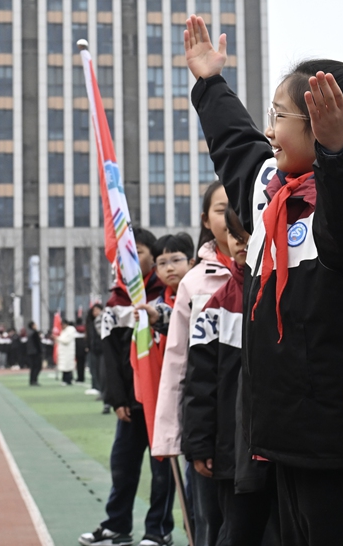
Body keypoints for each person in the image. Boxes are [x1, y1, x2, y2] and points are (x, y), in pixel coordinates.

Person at [186, 14, 343, 546]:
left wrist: (342, 151)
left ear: (321, 122)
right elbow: (238, 149)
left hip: (340, 444)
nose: (269, 129)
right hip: (283, 440)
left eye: (279, 116)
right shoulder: (276, 193)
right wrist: (210, 84)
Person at [182, 207, 278, 546]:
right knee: (235, 532)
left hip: (280, 449)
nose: (240, 242)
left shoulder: (283, 291)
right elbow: (199, 381)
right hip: (230, 453)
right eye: (234, 235)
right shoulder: (216, 305)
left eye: (246, 234)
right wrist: (198, 444)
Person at [80, 227, 176, 546]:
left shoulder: (165, 296)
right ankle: (117, 524)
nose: (128, 262)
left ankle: (158, 530)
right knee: (122, 465)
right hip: (131, 401)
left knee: (161, 470)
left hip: (161, 399)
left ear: (152, 257)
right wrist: (117, 398)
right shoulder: (115, 301)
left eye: (137, 254)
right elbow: (109, 355)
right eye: (122, 256)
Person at [151, 181, 234, 546]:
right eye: (221, 210)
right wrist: (170, 435)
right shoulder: (195, 283)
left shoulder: (267, 267)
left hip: (256, 432)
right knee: (209, 524)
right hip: (210, 433)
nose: (231, 218)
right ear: (205, 220)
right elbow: (178, 364)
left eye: (238, 206)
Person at [58, 317, 78, 385]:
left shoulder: (71, 330)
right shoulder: (64, 331)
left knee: (68, 367)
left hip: (68, 352)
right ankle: (65, 379)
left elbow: (66, 340)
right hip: (63, 352)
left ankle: (68, 380)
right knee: (64, 367)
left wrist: (58, 338)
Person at [25, 322, 44, 386]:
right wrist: (41, 351)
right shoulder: (34, 333)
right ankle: (34, 380)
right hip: (36, 352)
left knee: (33, 367)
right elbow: (37, 343)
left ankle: (32, 380)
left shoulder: (29, 333)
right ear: (32, 326)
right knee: (37, 367)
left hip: (30, 352)